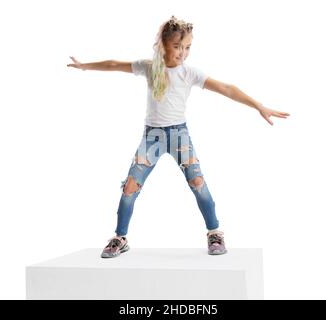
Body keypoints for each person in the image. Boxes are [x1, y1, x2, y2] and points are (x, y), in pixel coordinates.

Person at [67, 15, 290, 258]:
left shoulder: (189, 73)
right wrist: (85, 66)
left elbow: (227, 89)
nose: (183, 53)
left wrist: (259, 105)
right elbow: (113, 64)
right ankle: (120, 237)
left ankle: (214, 232)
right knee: (130, 186)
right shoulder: (149, 67)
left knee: (198, 183)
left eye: (187, 47)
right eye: (177, 46)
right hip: (152, 137)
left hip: (179, 135)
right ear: (163, 44)